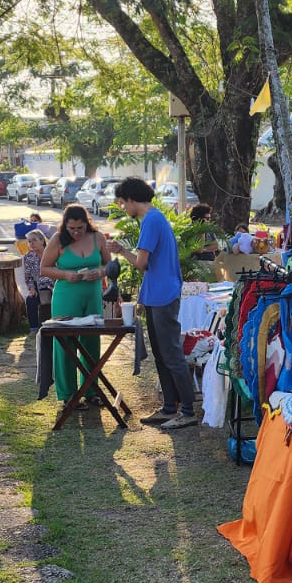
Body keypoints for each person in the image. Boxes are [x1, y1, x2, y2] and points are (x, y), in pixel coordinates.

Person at [109, 177, 197, 430]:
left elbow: (142, 263)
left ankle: (188, 411)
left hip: (163, 295)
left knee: (170, 353)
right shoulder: (156, 218)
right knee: (161, 353)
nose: (123, 209)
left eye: (123, 203)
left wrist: (121, 251)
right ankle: (170, 407)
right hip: (158, 293)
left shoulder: (150, 220)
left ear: (131, 199)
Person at [41, 204, 113, 406]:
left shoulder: (97, 237)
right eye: (71, 228)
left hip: (91, 295)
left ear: (86, 224)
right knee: (65, 343)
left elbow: (109, 264)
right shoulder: (57, 240)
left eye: (80, 228)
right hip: (66, 295)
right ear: (65, 225)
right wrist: (65, 275)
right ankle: (68, 394)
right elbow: (44, 268)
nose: (75, 232)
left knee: (91, 343)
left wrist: (100, 273)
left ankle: (91, 390)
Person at [22, 229, 54, 330]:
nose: (31, 243)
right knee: (31, 299)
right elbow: (28, 276)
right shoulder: (29, 256)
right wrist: (31, 288)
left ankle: (48, 325)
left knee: (46, 294)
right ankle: (34, 328)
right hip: (38, 285)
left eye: (34, 240)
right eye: (29, 241)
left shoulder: (52, 253)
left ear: (42, 241)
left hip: (53, 284)